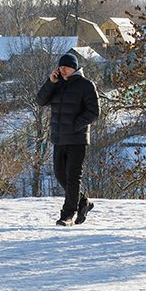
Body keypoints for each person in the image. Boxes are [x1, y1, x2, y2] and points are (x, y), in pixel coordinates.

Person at [35, 52, 100, 226]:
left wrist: (74, 125)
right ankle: (83, 202)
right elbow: (40, 100)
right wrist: (50, 82)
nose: (62, 70)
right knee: (59, 174)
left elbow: (94, 112)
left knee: (72, 177)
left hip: (77, 139)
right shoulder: (57, 84)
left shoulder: (86, 86)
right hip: (58, 138)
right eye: (60, 67)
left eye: (66, 67)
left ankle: (67, 215)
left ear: (74, 68)